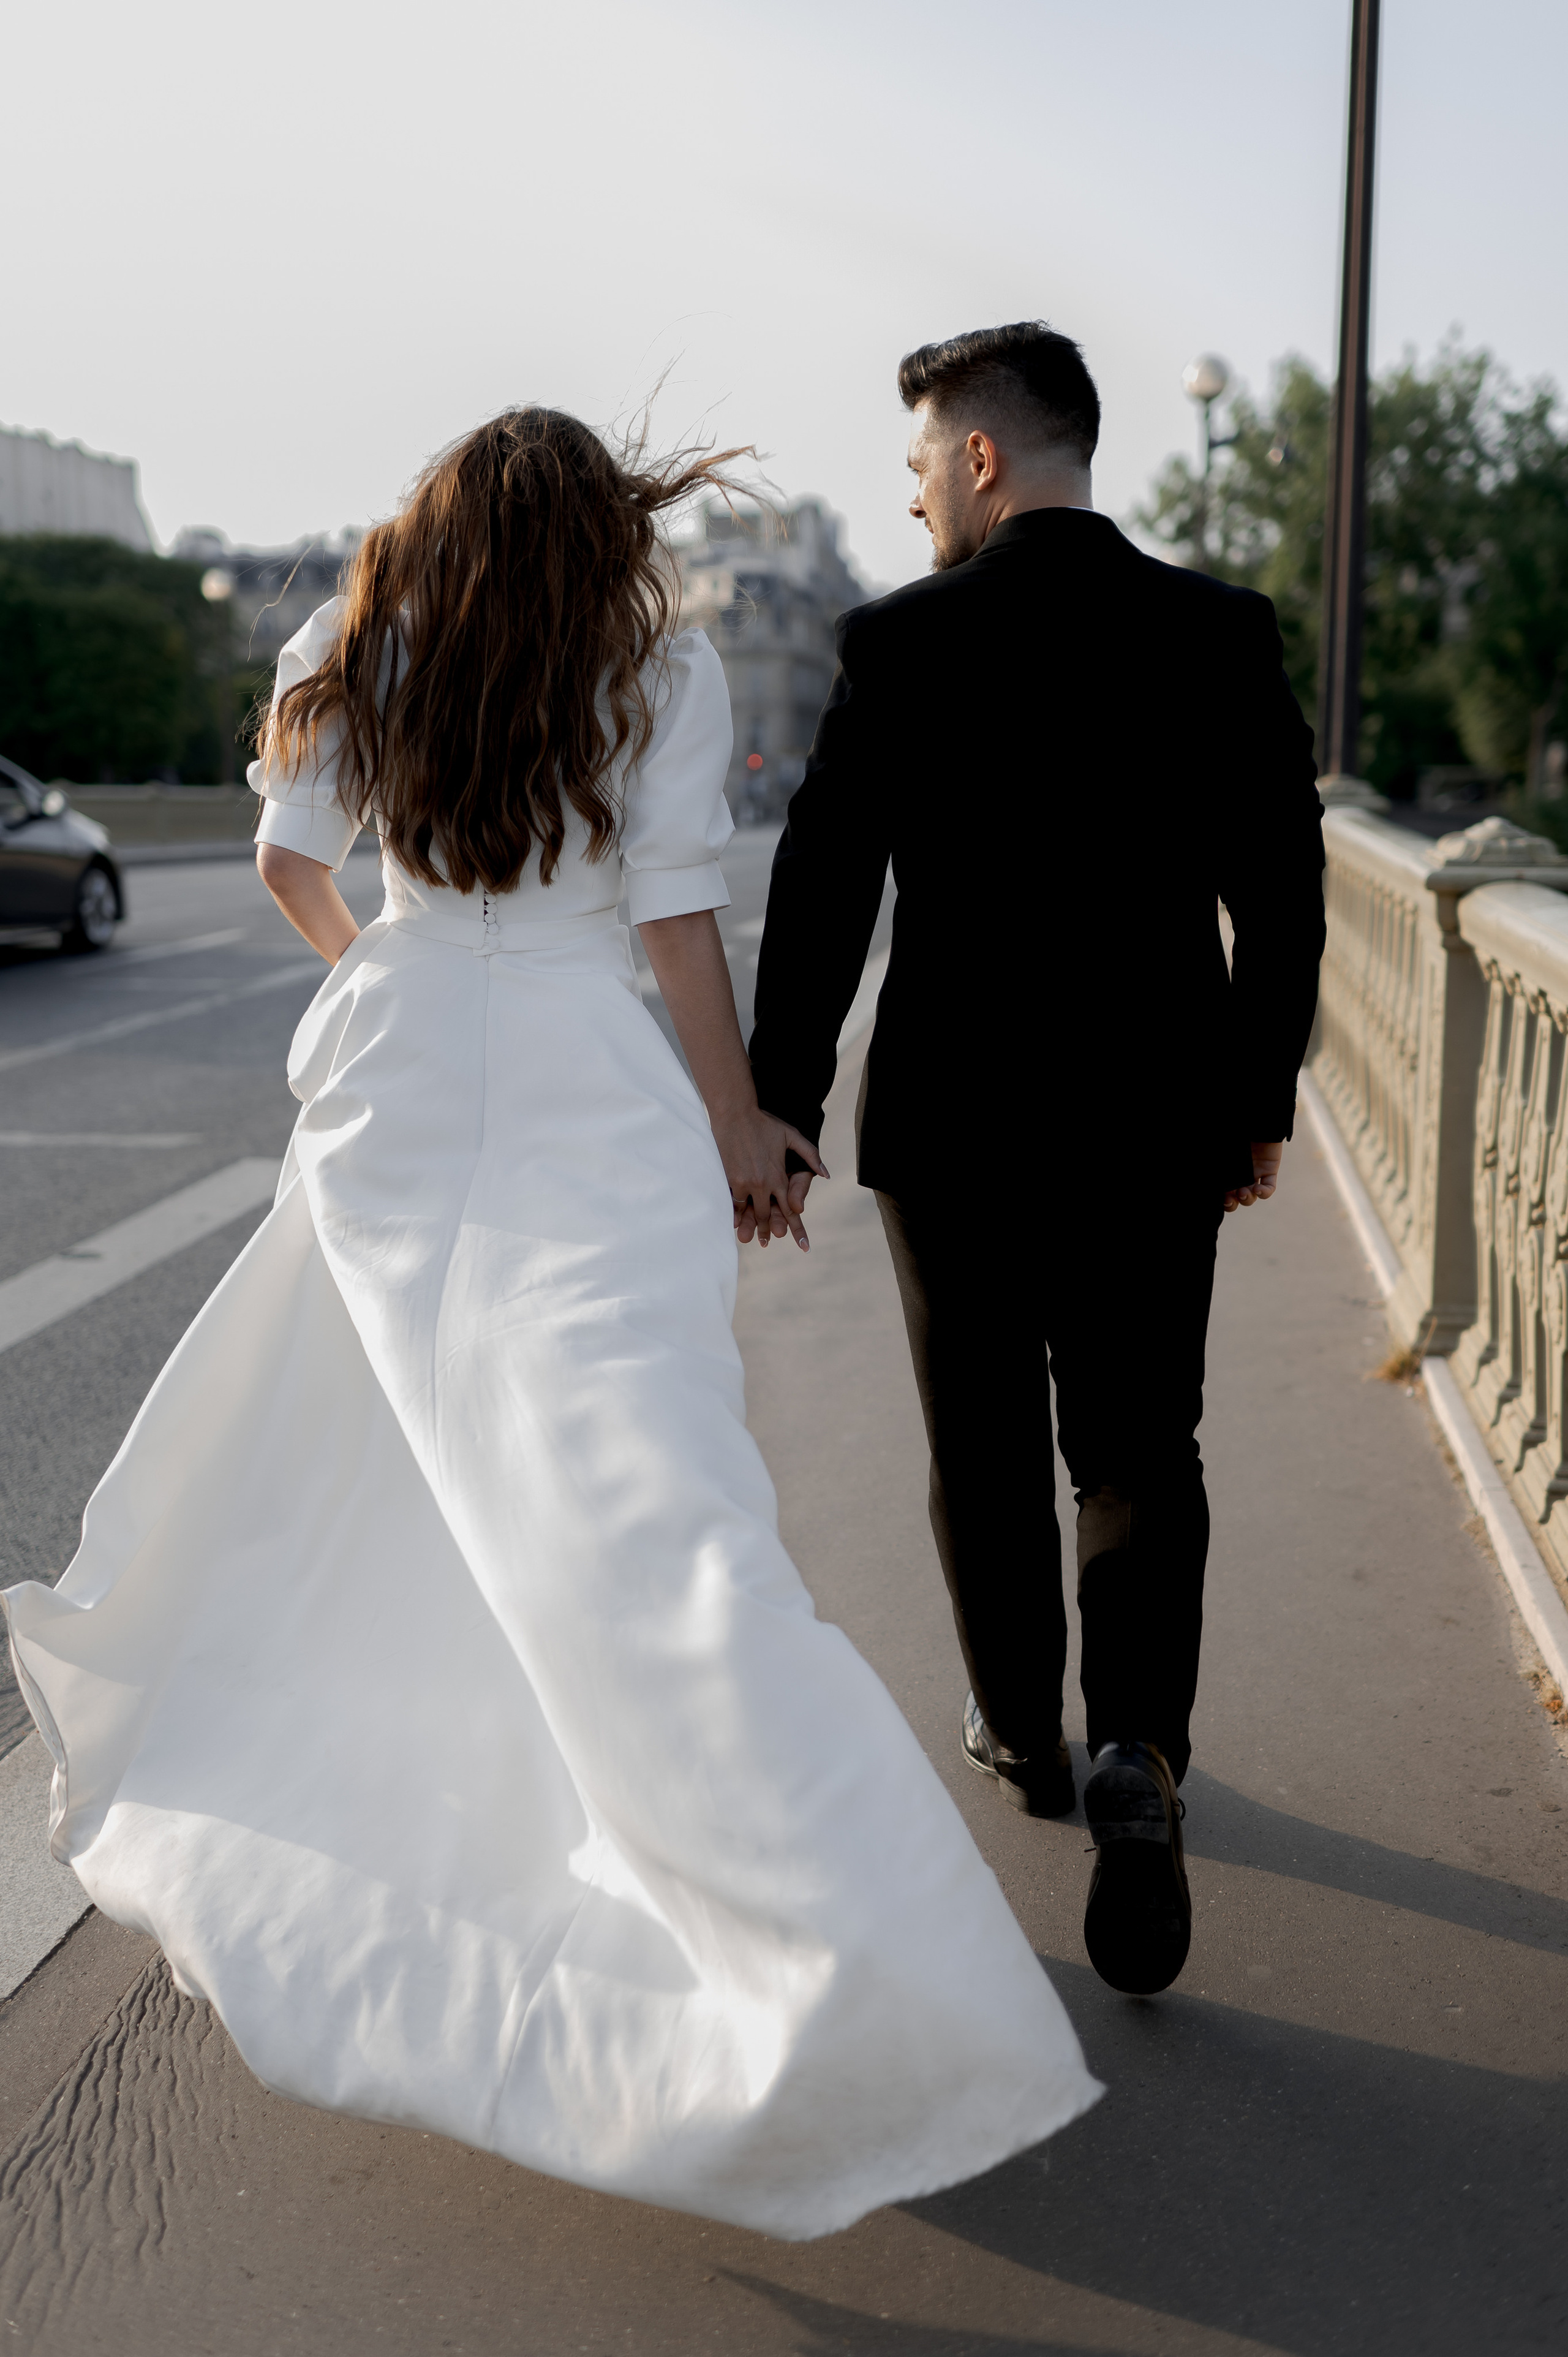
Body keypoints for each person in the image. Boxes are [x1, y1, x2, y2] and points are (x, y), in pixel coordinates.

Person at [1, 409, 1101, 2241]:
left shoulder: (351, 649)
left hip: (404, 1069)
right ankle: (829, 1947)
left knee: (372, 1462)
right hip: (593, 1082)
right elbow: (676, 926)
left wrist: (401, 975)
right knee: (643, 1500)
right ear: (603, 530)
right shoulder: (652, 662)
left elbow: (292, 871)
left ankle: (395, 1803)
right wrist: (746, 1119)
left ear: (435, 519)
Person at [748, 323, 1325, 2000]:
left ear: (983, 459)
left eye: (926, 455)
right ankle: (1142, 1741)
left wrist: (784, 1100)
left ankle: (1023, 1734)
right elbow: (1283, 886)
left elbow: (825, 893)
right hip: (1158, 1118)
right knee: (1143, 1441)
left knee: (984, 1449)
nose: (916, 485)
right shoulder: (1219, 634)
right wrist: (1258, 1096)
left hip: (952, 1123)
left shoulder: (899, 643)